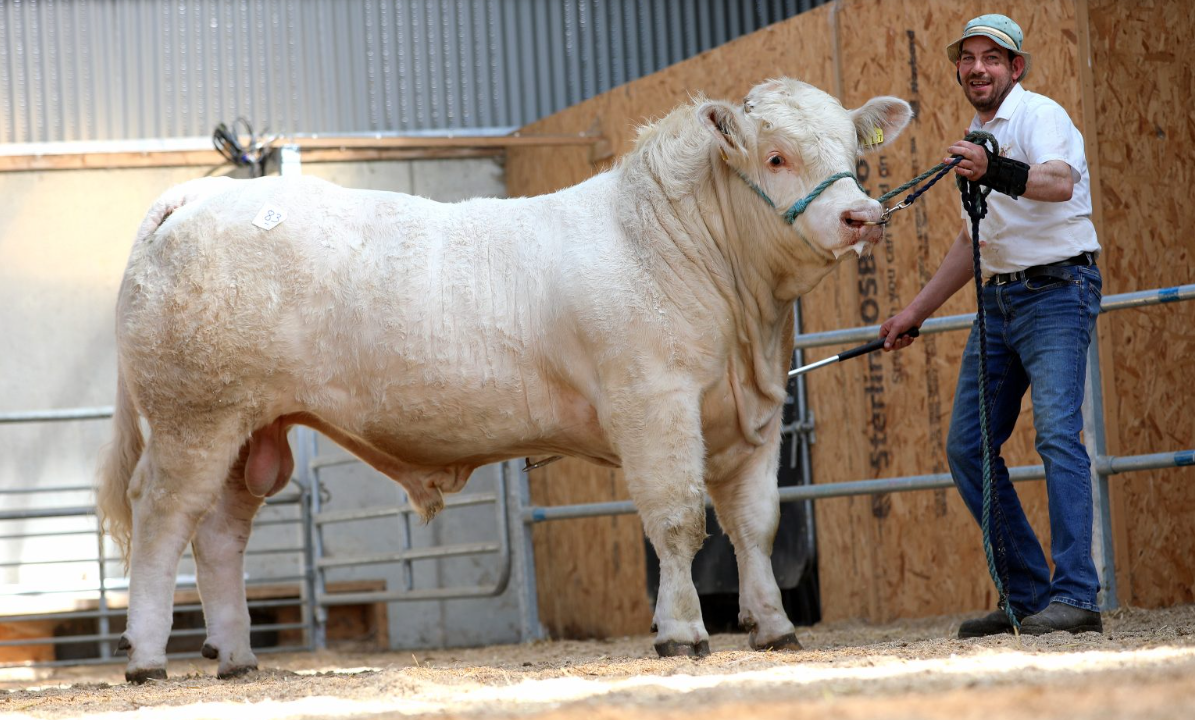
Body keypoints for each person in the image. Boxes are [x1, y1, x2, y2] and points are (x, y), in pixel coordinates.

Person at [880, 14, 1104, 637]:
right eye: (968, 58)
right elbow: (969, 242)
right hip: (999, 301)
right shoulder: (973, 138)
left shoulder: (1040, 116)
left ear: (1016, 69)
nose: (978, 68)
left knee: (1058, 437)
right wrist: (913, 313)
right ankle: (1029, 600)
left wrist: (992, 169)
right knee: (967, 448)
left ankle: (1078, 598)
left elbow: (1059, 183)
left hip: (1058, 290)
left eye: (992, 58)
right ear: (959, 70)